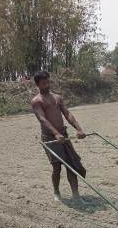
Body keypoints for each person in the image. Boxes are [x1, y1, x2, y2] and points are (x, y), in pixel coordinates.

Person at [31, 70, 87, 204]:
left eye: (48, 82)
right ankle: (56, 192)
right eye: (43, 83)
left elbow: (67, 114)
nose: (47, 85)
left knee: (72, 165)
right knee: (57, 167)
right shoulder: (36, 101)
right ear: (38, 85)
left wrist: (79, 129)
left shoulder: (57, 97)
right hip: (50, 138)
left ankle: (76, 195)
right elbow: (42, 119)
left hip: (63, 136)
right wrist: (55, 133)